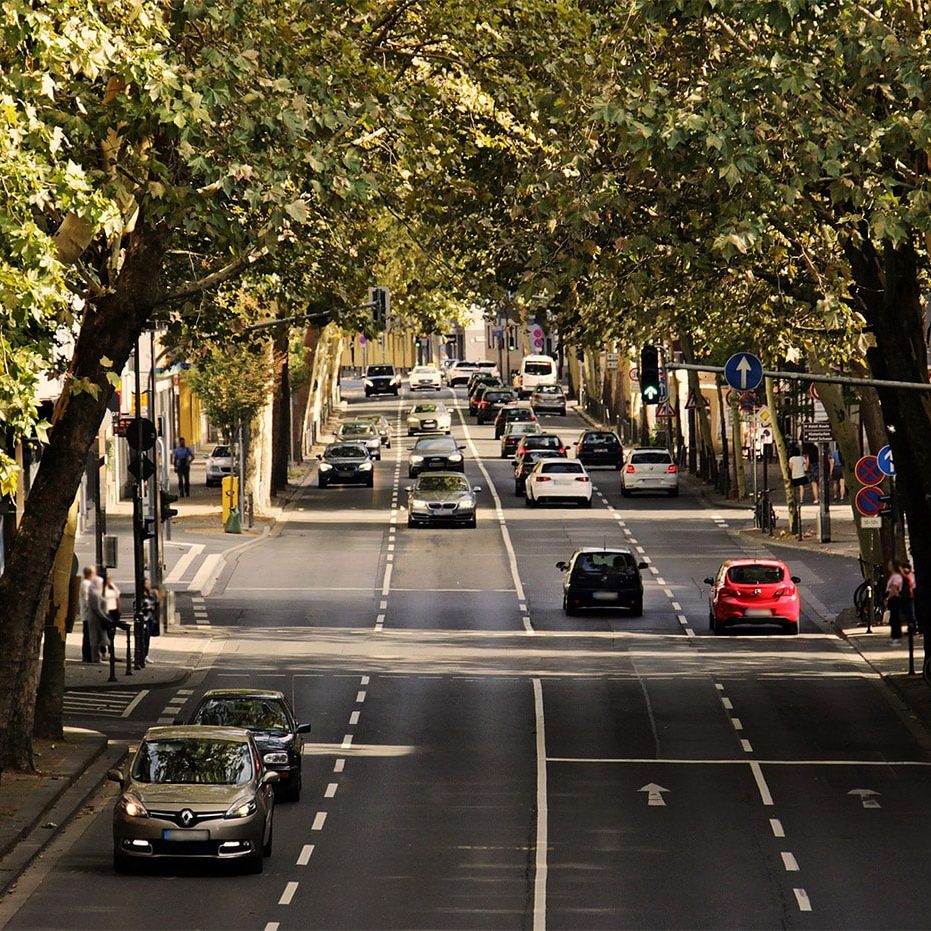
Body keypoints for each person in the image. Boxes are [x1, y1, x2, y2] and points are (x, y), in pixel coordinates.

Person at [79, 566, 108, 662]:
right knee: (89, 636)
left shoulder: (88, 584)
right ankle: (88, 656)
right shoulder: (86, 584)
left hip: (89, 614)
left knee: (91, 636)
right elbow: (88, 599)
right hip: (88, 615)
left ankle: (90, 656)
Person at [885, 561, 904, 645]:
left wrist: (888, 598)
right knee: (894, 618)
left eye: (890, 565)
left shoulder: (896, 576)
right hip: (894, 598)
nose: (888, 566)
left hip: (894, 599)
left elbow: (894, 588)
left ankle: (896, 637)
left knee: (895, 618)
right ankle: (894, 636)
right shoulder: (894, 575)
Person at [901, 562, 917, 635]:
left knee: (910, 613)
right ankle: (911, 627)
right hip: (906, 596)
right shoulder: (908, 576)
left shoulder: (908, 576)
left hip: (909, 596)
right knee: (908, 612)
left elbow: (912, 585)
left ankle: (912, 627)